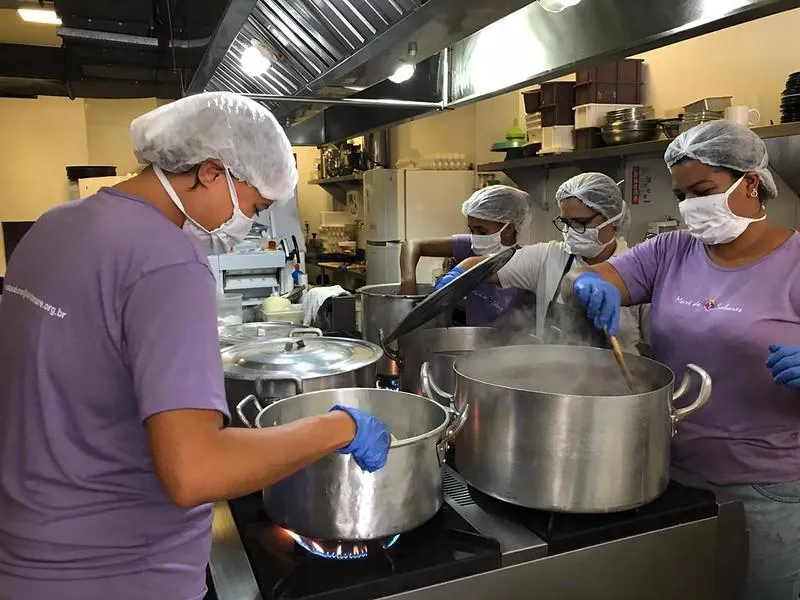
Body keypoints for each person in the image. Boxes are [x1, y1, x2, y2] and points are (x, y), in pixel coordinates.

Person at [0, 92, 391, 600]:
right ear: (211, 171)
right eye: (254, 205)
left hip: (25, 556)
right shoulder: (167, 260)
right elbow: (195, 470)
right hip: (118, 573)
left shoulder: (53, 226)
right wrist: (339, 427)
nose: (244, 225)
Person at [564, 120, 800, 600]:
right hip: (670, 472)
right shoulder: (671, 250)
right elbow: (601, 276)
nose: (692, 206)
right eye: (682, 194)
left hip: (770, 487)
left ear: (751, 182)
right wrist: (593, 285)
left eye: (703, 190)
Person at [440, 173, 643, 352]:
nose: (570, 232)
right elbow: (485, 266)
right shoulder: (547, 257)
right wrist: (457, 275)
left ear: (612, 218)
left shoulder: (639, 266)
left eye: (580, 223)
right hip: (550, 378)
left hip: (615, 384)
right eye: (566, 223)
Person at [398, 185, 533, 326]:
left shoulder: (527, 262)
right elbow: (412, 245)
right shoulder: (471, 247)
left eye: (481, 231)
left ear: (509, 228)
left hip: (511, 343)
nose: (475, 237)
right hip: (471, 338)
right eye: (471, 230)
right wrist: (407, 282)